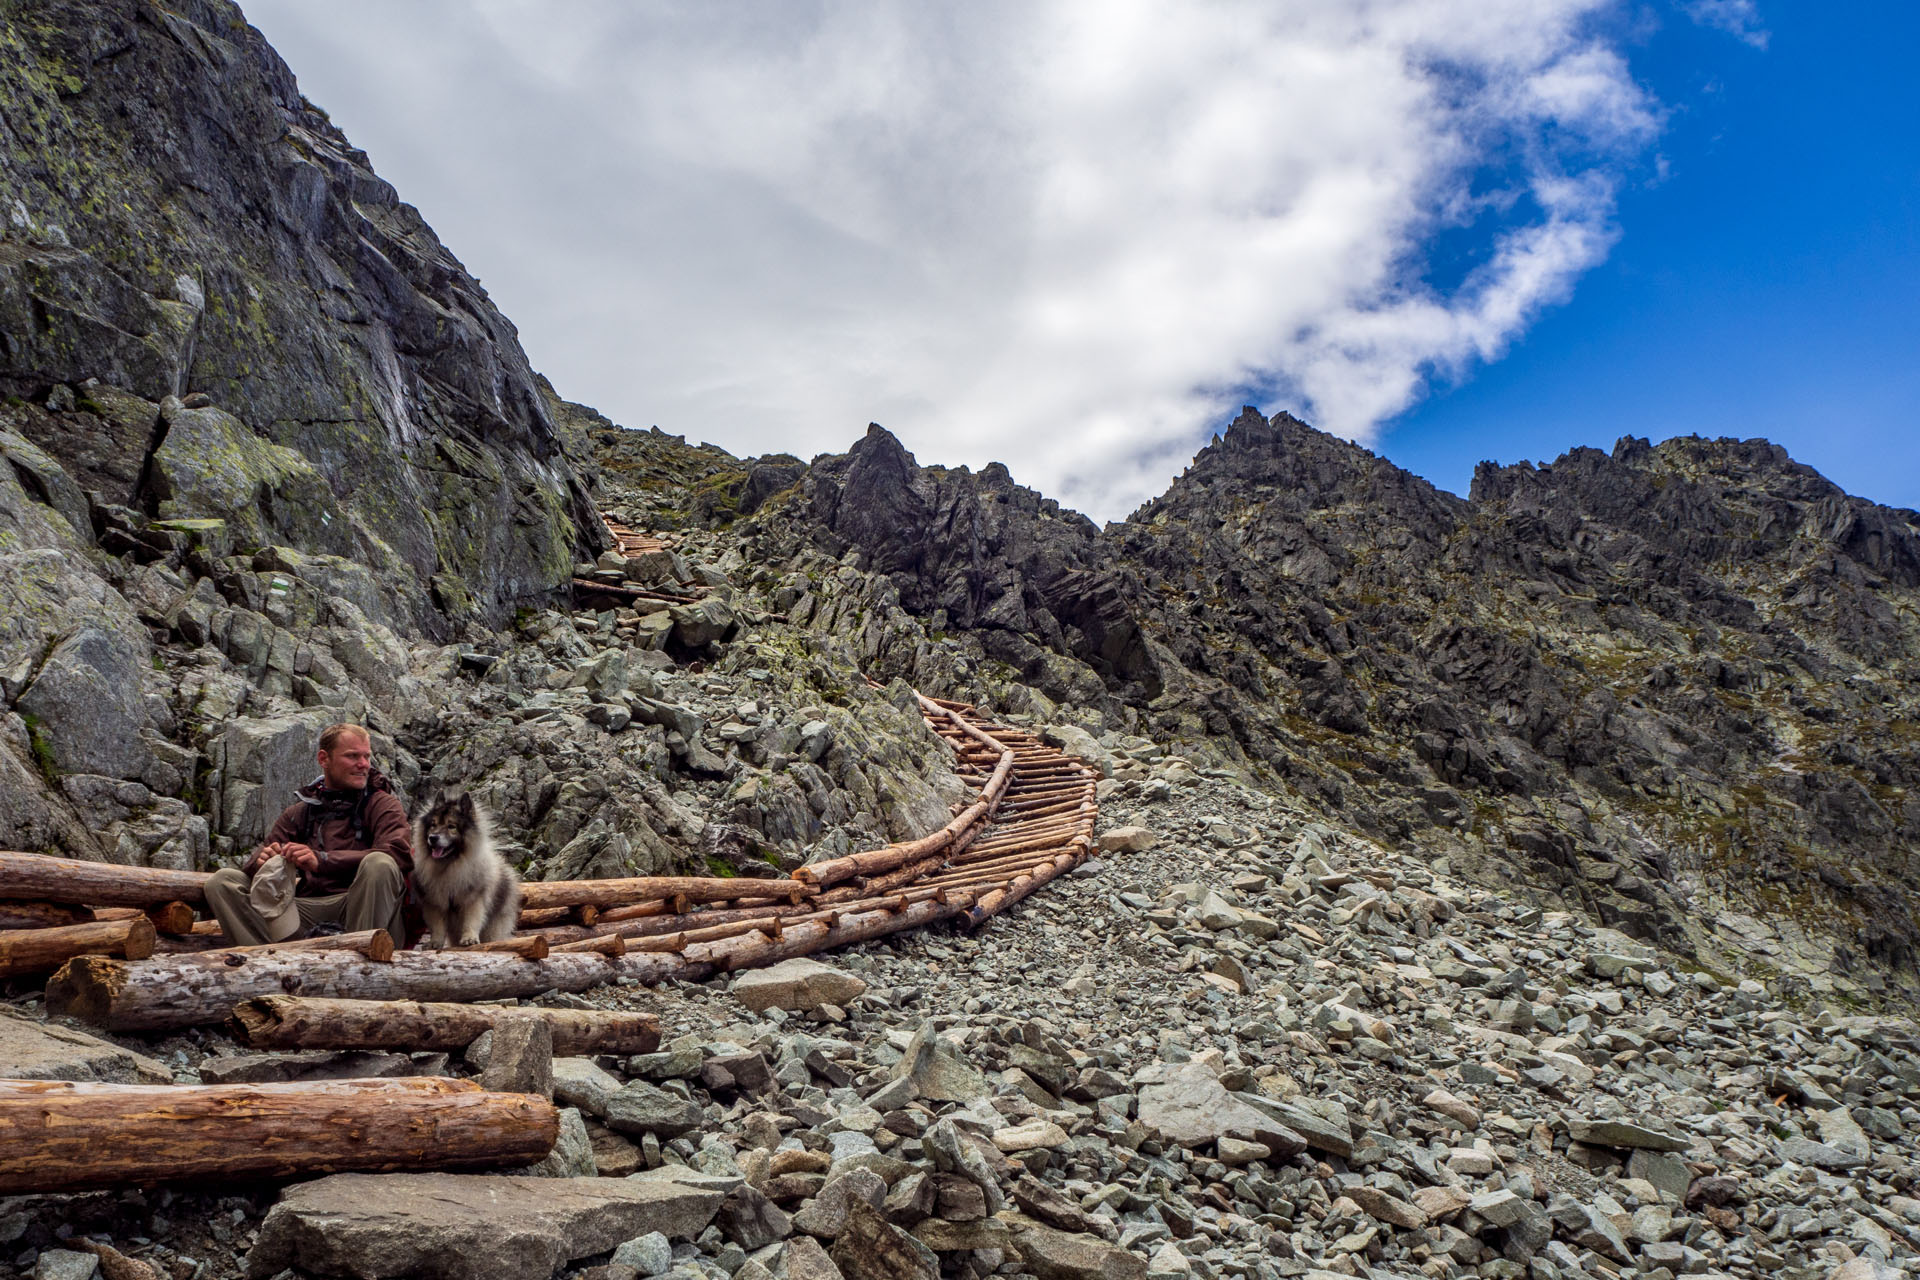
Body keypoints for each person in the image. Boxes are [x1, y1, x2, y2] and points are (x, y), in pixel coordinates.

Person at [203, 723, 413, 947]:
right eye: (352, 756)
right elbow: (255, 862)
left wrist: (321, 860)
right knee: (223, 881)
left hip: (360, 907)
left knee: (379, 863)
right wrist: (262, 861)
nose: (363, 765)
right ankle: (269, 963)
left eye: (366, 756)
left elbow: (396, 854)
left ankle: (362, 960)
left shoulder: (383, 804)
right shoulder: (300, 812)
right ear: (324, 759)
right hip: (305, 909)